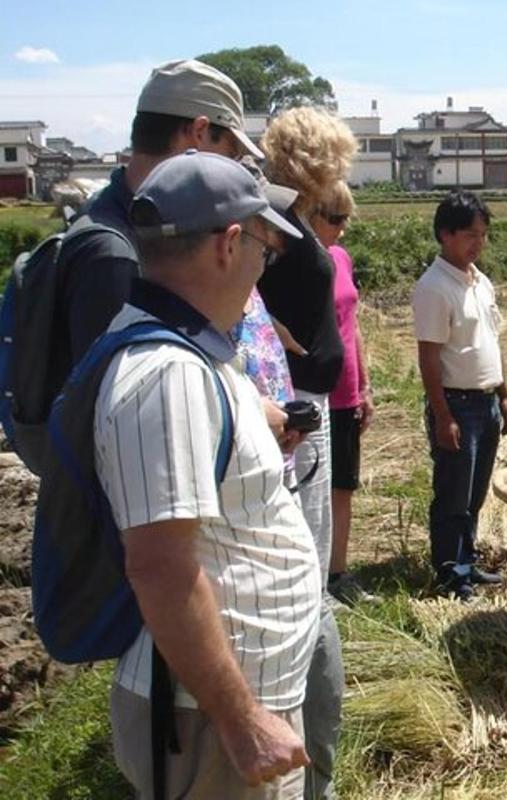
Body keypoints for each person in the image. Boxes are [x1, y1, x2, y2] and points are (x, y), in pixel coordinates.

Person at [98, 151, 319, 798]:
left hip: (235, 701)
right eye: (265, 253)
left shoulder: (195, 350)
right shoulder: (167, 375)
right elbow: (160, 566)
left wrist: (261, 426)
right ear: (229, 244)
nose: (261, 270)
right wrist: (244, 720)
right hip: (211, 720)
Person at [257, 106, 356, 800]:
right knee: (304, 567)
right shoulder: (274, 221)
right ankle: (307, 760)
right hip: (291, 413)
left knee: (304, 563)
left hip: (301, 401)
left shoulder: (282, 215)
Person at [61, 58, 261, 366]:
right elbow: (110, 389)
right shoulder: (113, 252)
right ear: (199, 131)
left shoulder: (115, 215)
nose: (232, 168)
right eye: (231, 154)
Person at [412, 191, 507, 602]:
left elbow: (492, 342)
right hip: (456, 404)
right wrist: (442, 415)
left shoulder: (480, 281)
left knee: (474, 493)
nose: (479, 243)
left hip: (485, 402)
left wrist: (504, 395)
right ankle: (449, 573)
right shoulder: (434, 287)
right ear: (445, 235)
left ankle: (467, 561)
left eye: (484, 235)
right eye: (471, 235)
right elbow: (429, 357)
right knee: (453, 494)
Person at [309, 181, 376, 605]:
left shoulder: (340, 257)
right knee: (313, 488)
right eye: (334, 219)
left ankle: (338, 573)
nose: (342, 229)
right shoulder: (293, 265)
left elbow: (353, 327)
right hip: (314, 394)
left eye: (345, 220)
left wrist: (365, 385)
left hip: (347, 392)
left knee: (343, 487)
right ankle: (313, 580)